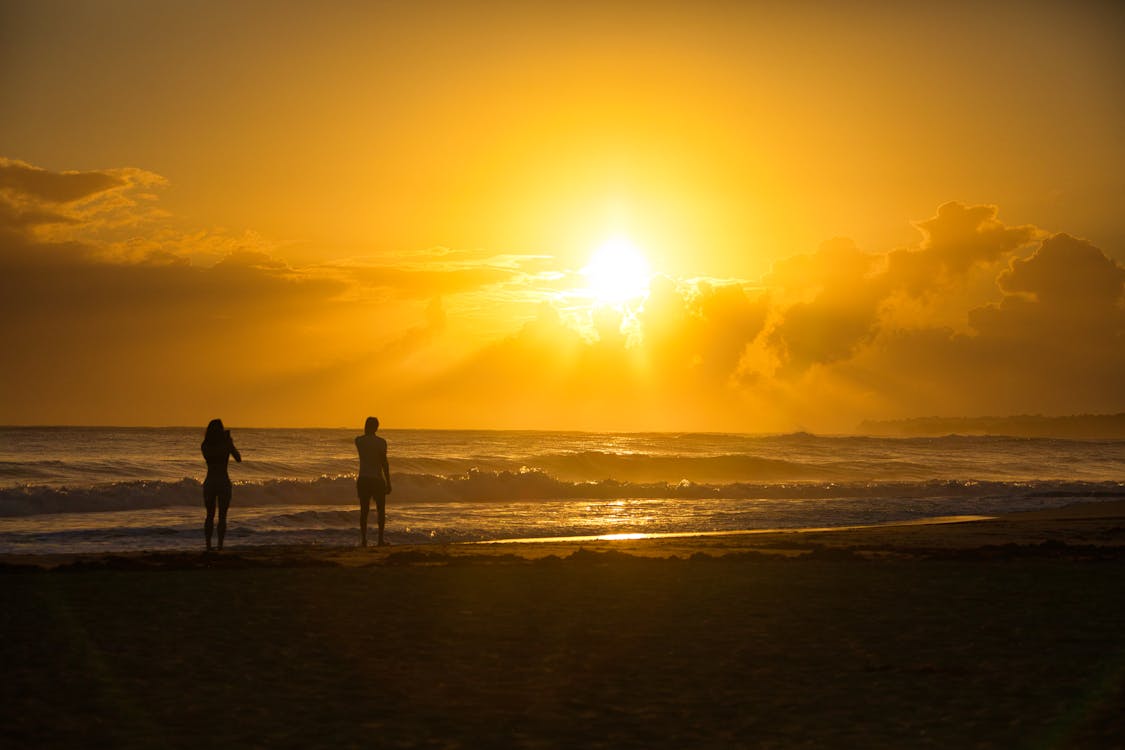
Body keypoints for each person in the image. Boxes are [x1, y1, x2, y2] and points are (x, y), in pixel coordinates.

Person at [201, 418, 241, 551]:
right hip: (223, 481)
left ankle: (208, 545)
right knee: (222, 516)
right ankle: (220, 545)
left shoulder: (204, 445)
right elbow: (238, 459)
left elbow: (210, 457)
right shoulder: (226, 445)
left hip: (210, 481)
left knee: (209, 515)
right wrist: (229, 443)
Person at [355, 416, 391, 546]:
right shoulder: (381, 442)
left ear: (366, 426)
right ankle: (380, 540)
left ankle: (364, 540)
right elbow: (384, 463)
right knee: (381, 510)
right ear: (377, 428)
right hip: (377, 479)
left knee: (364, 511)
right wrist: (389, 481)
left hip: (364, 479)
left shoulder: (359, 441)